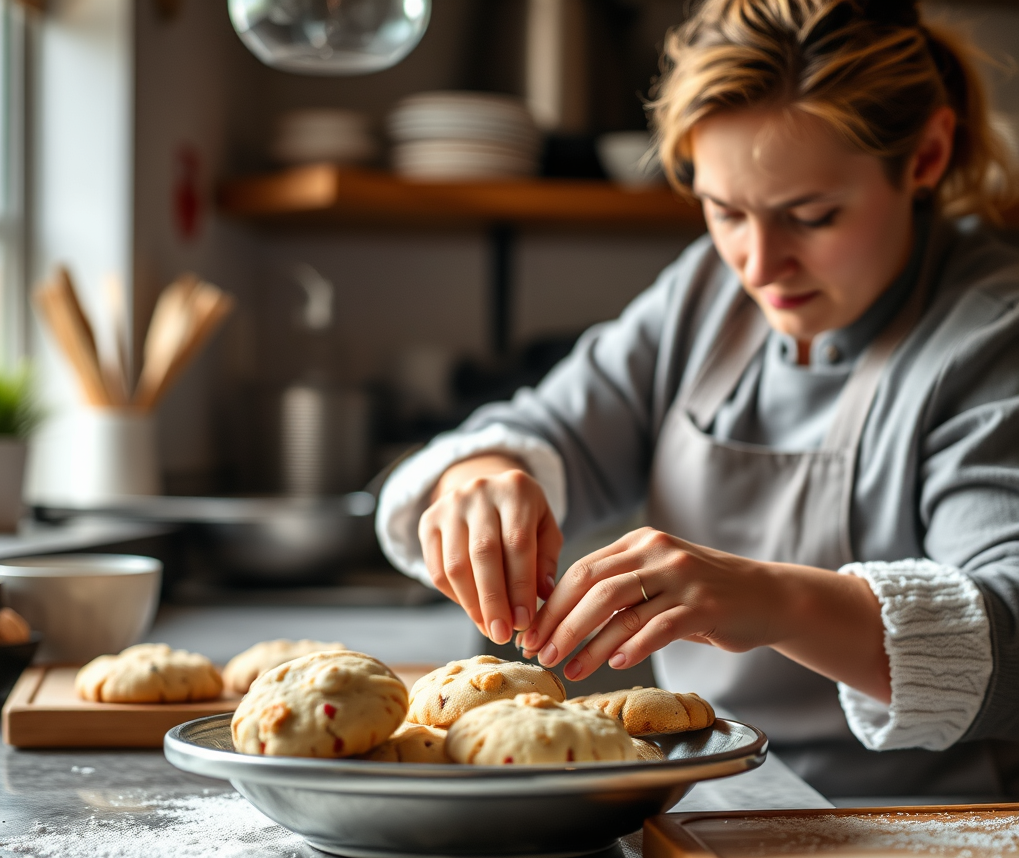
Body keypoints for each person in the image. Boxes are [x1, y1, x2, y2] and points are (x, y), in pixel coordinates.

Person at [376, 0, 1019, 798]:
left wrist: (774, 598)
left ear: (926, 156)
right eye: (725, 212)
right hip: (709, 806)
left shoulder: (994, 333)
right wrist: (482, 477)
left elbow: (1009, 631)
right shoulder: (706, 297)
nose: (760, 263)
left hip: (915, 841)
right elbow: (544, 429)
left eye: (811, 217)